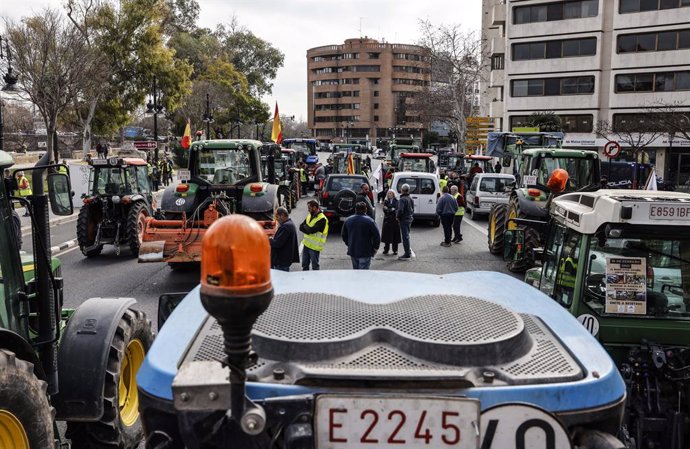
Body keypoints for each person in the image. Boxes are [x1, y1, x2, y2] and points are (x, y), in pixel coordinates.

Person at [341, 201, 381, 269]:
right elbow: (376, 236)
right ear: (366, 209)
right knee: (363, 273)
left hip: (353, 250)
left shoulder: (348, 220)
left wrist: (349, 244)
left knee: (356, 271)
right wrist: (375, 248)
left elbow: (344, 235)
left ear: (355, 209)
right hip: (365, 251)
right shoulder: (370, 221)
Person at [299, 199, 329, 270]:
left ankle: (315, 280)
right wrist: (308, 229)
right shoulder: (309, 215)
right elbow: (301, 227)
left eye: (309, 208)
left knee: (315, 266)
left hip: (315, 247)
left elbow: (311, 230)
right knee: (304, 265)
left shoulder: (322, 219)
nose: (308, 210)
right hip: (306, 245)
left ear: (314, 208)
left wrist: (306, 228)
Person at [270, 207, 299, 272]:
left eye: (277, 217)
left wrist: (269, 240)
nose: (276, 219)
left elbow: (277, 243)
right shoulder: (289, 224)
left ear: (282, 215)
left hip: (281, 262)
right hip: (284, 260)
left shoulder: (286, 227)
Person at [396, 183, 414, 260]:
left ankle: (407, 254)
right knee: (407, 236)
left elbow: (400, 210)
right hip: (409, 218)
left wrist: (397, 216)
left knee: (405, 237)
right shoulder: (410, 198)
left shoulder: (402, 199)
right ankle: (408, 252)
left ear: (402, 190)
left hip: (404, 219)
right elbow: (413, 209)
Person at [381, 190, 401, 255]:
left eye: (390, 193)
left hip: (394, 221)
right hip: (387, 220)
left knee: (395, 236)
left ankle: (395, 250)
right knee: (387, 236)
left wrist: (389, 209)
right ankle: (386, 250)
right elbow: (385, 210)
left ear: (393, 194)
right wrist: (391, 209)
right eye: (388, 193)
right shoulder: (386, 201)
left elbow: (396, 210)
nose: (389, 194)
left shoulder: (397, 201)